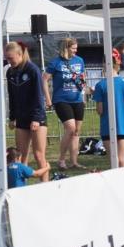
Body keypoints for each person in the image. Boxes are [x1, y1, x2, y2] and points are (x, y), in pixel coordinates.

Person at [5, 41, 49, 182]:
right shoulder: (10, 72)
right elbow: (11, 96)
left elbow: (38, 95)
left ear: (20, 54)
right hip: (21, 117)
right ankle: (21, 188)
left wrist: (36, 118)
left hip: (36, 118)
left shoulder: (32, 70)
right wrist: (12, 117)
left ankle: (45, 186)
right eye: (7, 58)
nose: (8, 61)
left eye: (11, 58)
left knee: (38, 155)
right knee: (21, 156)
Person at [45, 37, 86, 171]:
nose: (75, 51)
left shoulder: (80, 60)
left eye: (76, 48)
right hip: (61, 99)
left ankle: (74, 161)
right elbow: (44, 79)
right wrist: (48, 99)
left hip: (78, 100)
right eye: (73, 48)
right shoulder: (55, 63)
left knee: (76, 132)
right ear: (66, 48)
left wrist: (85, 90)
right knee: (70, 128)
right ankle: (61, 159)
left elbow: (82, 77)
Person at [92, 52, 124, 166]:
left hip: (106, 126)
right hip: (122, 127)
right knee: (122, 158)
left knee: (113, 160)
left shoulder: (100, 85)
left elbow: (100, 110)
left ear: (105, 64)